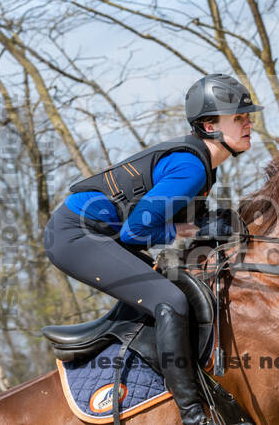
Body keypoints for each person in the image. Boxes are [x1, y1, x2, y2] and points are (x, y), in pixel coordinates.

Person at [43, 74, 263, 425]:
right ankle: (193, 415)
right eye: (239, 118)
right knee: (170, 301)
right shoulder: (192, 167)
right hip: (76, 236)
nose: (249, 123)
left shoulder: (200, 165)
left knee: (175, 289)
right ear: (209, 126)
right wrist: (182, 228)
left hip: (95, 232)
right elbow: (135, 232)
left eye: (247, 116)